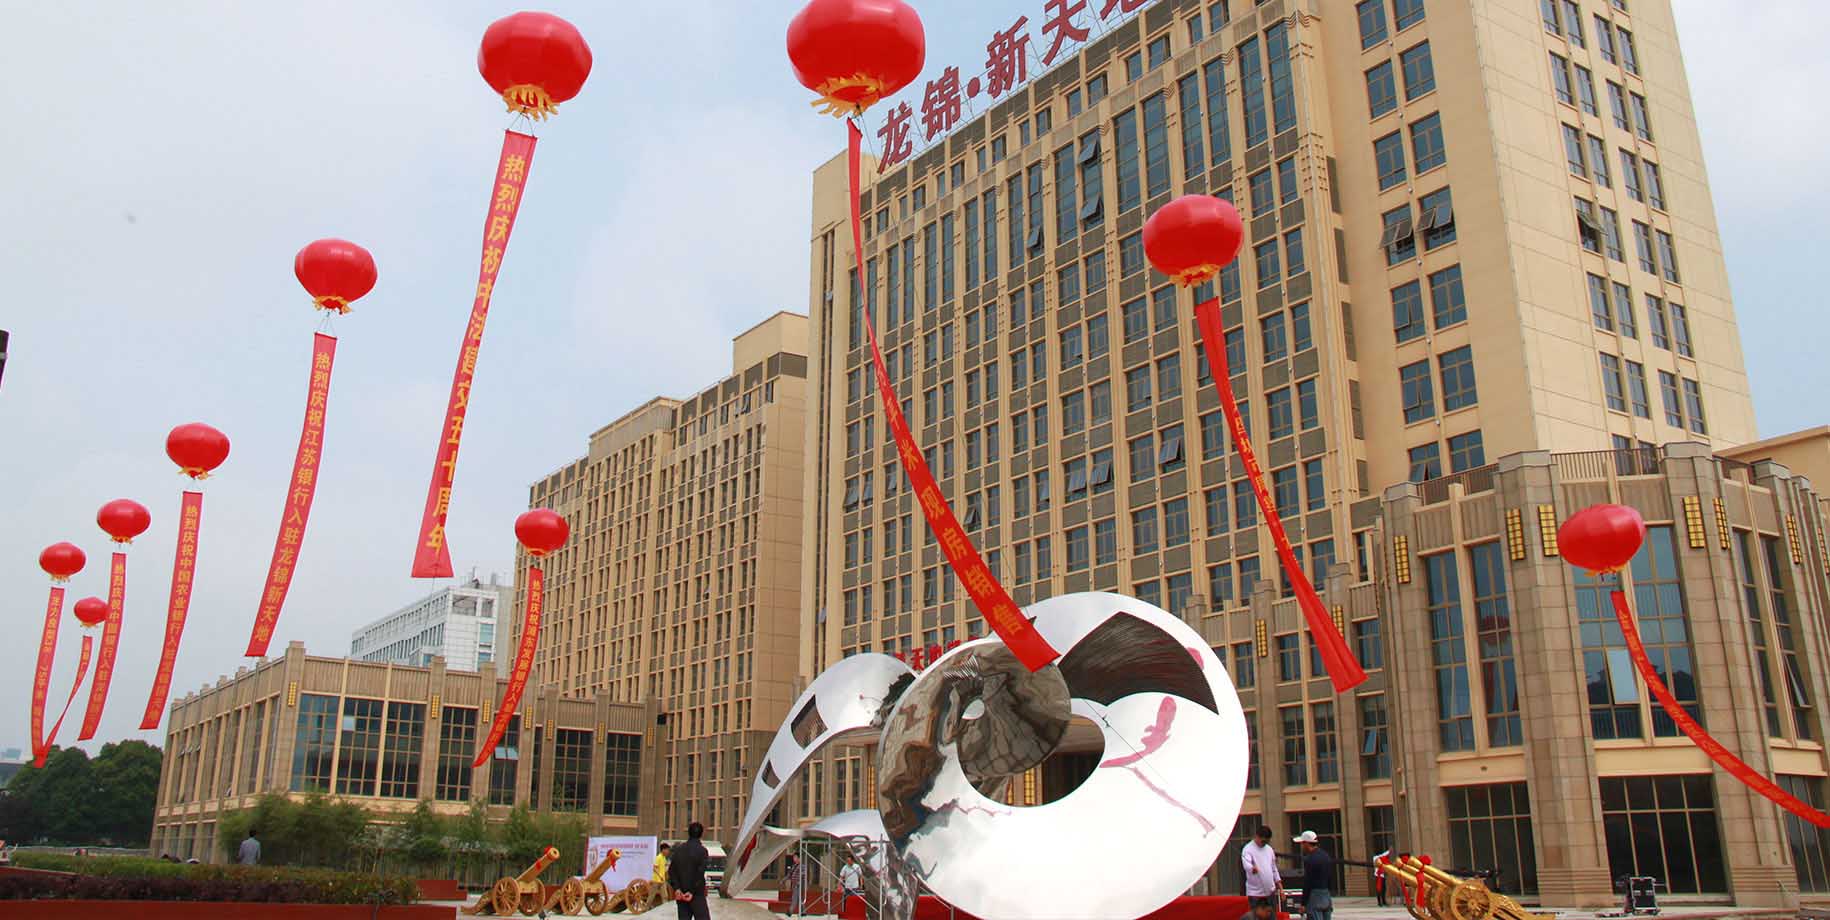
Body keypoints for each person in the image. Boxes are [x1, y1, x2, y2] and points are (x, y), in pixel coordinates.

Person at [666, 821, 713, 920]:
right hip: (696, 895)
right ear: (701, 834)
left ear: (689, 833)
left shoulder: (679, 850)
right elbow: (699, 874)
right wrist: (691, 891)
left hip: (681, 895)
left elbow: (671, 871)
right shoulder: (702, 851)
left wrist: (677, 888)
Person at [1295, 831, 1334, 920]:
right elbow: (1330, 877)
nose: (1301, 846)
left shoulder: (1310, 859)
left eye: (1302, 843)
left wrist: (1303, 903)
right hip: (1326, 895)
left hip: (1314, 897)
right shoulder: (1326, 856)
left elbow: (1308, 882)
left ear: (1306, 843)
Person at [1241, 824, 1282, 909]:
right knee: (1256, 915)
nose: (1264, 844)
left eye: (1267, 842)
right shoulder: (1248, 849)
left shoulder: (1269, 849)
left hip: (1270, 892)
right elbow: (1246, 864)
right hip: (1255, 894)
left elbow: (1274, 869)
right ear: (1257, 836)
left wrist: (1280, 887)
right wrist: (1252, 868)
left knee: (1272, 914)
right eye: (1263, 841)